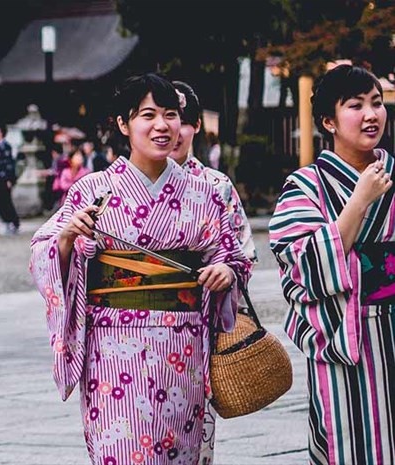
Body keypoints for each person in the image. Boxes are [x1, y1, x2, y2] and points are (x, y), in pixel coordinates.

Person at [29, 73, 252, 464]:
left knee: (178, 453)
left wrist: (226, 274)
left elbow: (232, 257)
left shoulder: (205, 194)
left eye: (170, 115)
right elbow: (44, 250)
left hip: (182, 348)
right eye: (147, 115)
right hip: (113, 349)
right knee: (123, 452)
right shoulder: (92, 190)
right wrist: (66, 241)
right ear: (123, 123)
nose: (162, 125)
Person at [269, 64, 392, 465]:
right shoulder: (305, 186)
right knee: (352, 444)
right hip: (348, 339)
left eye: (376, 103)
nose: (371, 114)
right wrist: (358, 202)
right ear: (329, 121)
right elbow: (302, 266)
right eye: (355, 106)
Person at [169, 79, 258, 458]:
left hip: (197, 330)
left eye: (180, 119)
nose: (171, 130)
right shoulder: (108, 187)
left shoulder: (215, 185)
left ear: (196, 127)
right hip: (126, 338)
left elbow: (244, 253)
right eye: (153, 116)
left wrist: (229, 271)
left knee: (193, 443)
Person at [0, 124, 20, 233]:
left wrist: (9, 179)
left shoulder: (6, 146)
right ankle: (7, 221)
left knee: (6, 201)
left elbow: (9, 164)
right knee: (0, 201)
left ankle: (13, 222)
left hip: (5, 179)